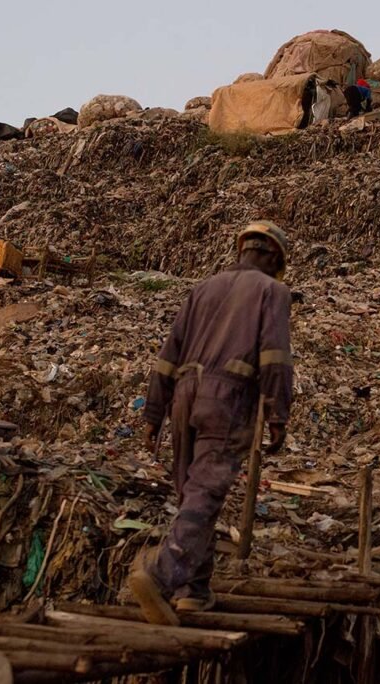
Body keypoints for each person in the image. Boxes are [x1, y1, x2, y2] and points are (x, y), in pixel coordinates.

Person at [128, 221, 294, 625]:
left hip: (184, 393)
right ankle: (163, 573)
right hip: (229, 395)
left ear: (242, 251)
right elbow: (274, 355)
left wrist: (153, 412)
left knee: (191, 492)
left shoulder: (203, 288)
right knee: (205, 492)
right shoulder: (273, 291)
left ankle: (193, 591)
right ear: (273, 258)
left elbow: (169, 352)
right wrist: (277, 412)